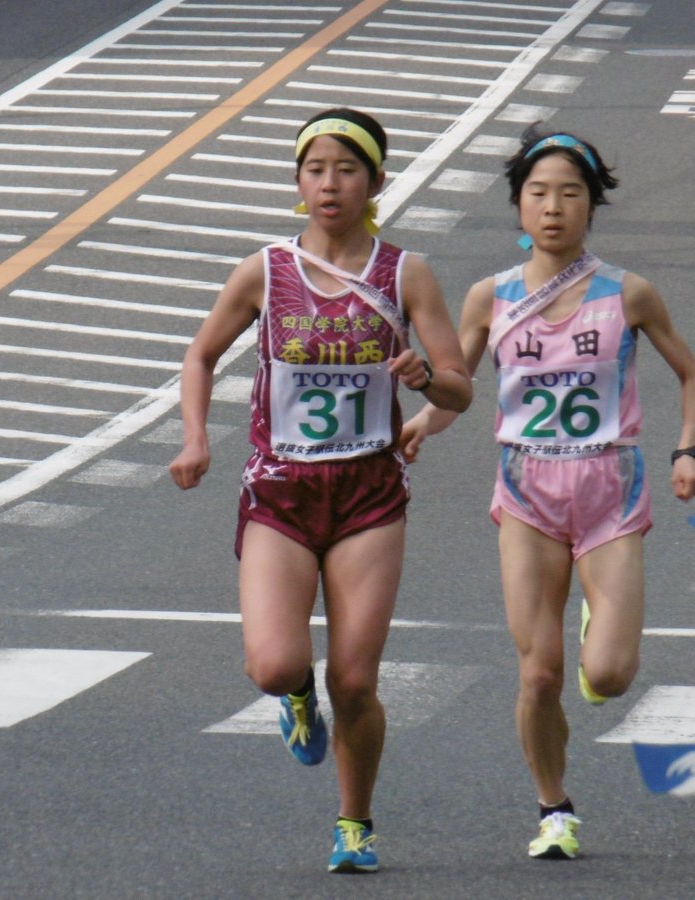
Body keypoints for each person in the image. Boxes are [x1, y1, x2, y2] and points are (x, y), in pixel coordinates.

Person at [169, 107, 472, 873]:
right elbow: (201, 353)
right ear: (298, 184)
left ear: (374, 182)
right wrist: (196, 437)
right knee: (273, 664)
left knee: (358, 679)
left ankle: (355, 823)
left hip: (369, 493)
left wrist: (426, 377)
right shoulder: (265, 269)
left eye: (345, 168)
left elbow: (461, 386)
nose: (329, 183)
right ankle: (294, 697)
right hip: (281, 490)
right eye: (315, 169)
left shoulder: (405, 273)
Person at [401, 124, 695, 860]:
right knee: (538, 674)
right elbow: (459, 388)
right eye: (539, 194)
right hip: (527, 491)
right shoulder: (487, 298)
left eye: (570, 193)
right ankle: (554, 807)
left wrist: (687, 445)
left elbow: (691, 372)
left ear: (591, 206)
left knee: (609, 674)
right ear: (518, 206)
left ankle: (601, 612)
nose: (554, 208)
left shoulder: (629, 293)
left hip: (609, 488)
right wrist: (422, 417)